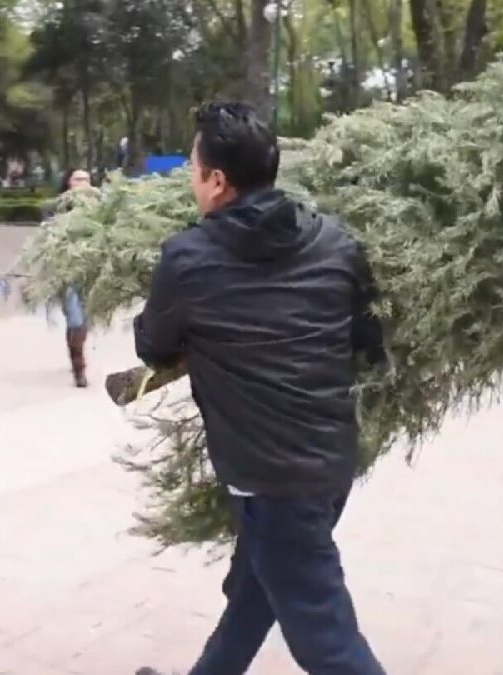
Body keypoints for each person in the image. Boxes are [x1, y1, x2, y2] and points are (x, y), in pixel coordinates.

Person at [133, 102, 386, 675]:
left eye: (194, 170)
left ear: (217, 181)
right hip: (329, 463)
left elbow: (154, 345)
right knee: (253, 598)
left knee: (325, 639)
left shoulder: (188, 257)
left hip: (271, 479)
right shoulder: (337, 243)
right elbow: (368, 339)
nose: (192, 182)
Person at [51, 168, 98, 388]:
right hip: (68, 272)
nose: (83, 183)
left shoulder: (99, 209)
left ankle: (74, 352)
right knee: (76, 320)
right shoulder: (59, 209)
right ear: (69, 183)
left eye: (87, 179)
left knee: (83, 321)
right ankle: (79, 369)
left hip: (90, 273)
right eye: (78, 179)